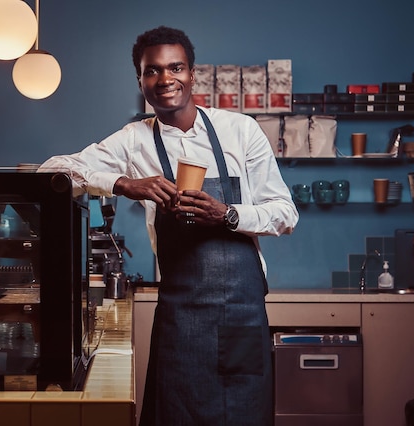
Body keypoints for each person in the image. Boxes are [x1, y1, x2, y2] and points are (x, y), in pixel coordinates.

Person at [40, 26, 299, 426]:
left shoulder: (239, 130)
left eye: (175, 68)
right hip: (183, 318)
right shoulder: (134, 140)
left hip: (241, 315)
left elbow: (285, 213)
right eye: (152, 71)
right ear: (141, 80)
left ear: (193, 74)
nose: (165, 80)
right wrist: (124, 183)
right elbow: (53, 170)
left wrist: (227, 215)